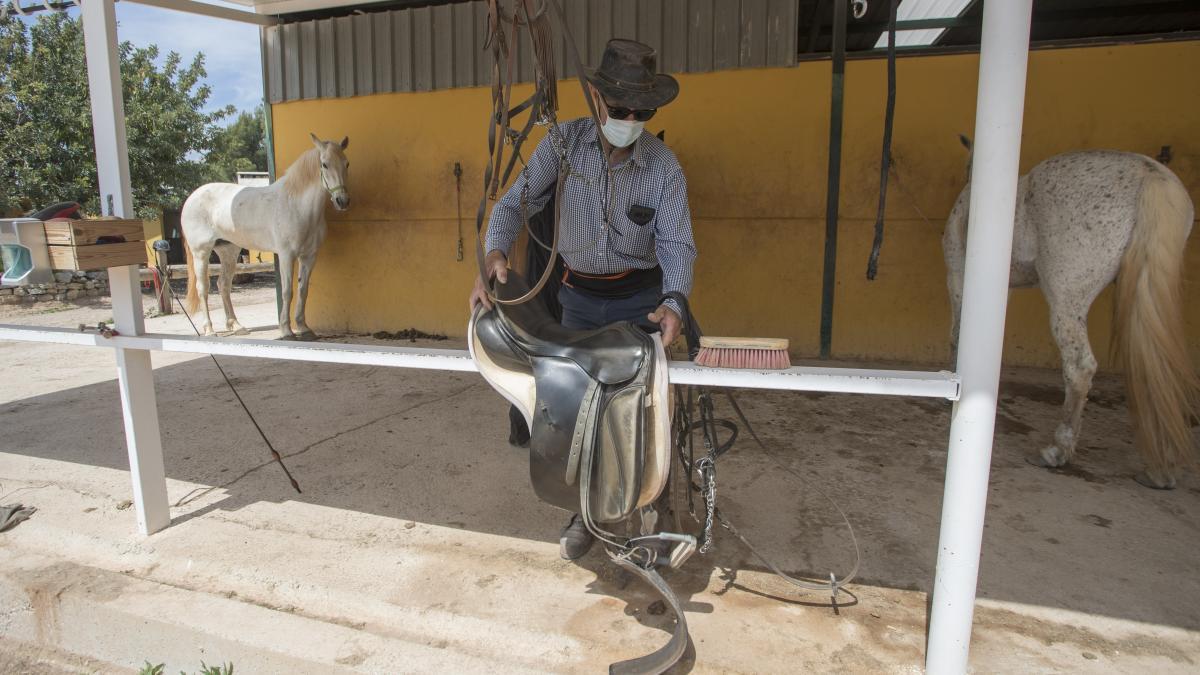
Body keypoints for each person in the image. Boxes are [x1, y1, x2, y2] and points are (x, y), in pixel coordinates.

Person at [469, 38, 697, 561]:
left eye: (643, 111)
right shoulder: (564, 145)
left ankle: (661, 506)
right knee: (579, 406)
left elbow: (678, 241)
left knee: (650, 406)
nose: (631, 119)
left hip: (639, 299)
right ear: (596, 100)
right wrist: (495, 255)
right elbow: (511, 205)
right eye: (620, 109)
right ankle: (585, 511)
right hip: (575, 298)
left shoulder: (663, 166)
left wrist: (676, 301)